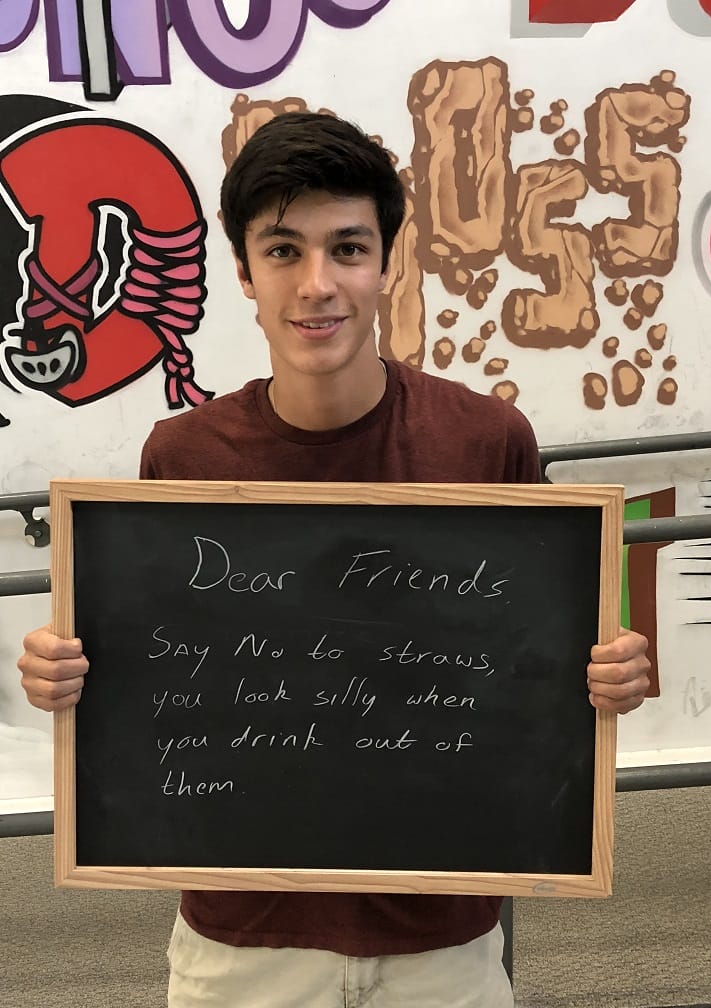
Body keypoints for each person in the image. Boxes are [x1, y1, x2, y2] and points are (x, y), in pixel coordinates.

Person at [19, 112, 651, 1008]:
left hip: (443, 938)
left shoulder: (486, 443)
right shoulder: (183, 457)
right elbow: (154, 670)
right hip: (238, 940)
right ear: (242, 271)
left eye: (348, 248)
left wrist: (611, 670)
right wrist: (67, 672)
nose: (318, 285)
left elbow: (547, 658)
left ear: (388, 261)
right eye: (284, 250)